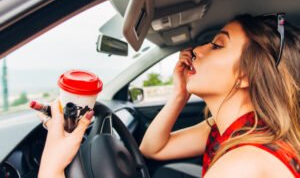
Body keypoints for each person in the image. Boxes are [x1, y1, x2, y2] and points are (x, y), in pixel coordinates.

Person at [37, 14, 300, 178]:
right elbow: (152, 149)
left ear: (246, 76)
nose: (196, 50)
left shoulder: (245, 163)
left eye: (217, 45)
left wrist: (51, 165)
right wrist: (179, 94)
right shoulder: (232, 130)